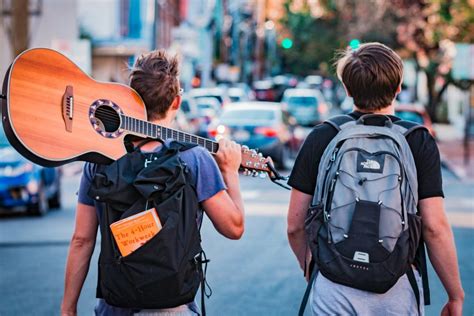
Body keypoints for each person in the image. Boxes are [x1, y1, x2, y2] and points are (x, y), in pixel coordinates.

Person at [60, 50, 245, 316]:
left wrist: (68, 309)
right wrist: (230, 172)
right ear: (177, 102)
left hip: (115, 305)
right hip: (172, 307)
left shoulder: (100, 158)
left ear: (130, 97)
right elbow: (234, 228)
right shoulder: (194, 159)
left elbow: (81, 240)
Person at [287, 42, 464, 315]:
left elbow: (295, 227)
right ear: (398, 88)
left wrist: (312, 268)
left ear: (347, 89)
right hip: (397, 286)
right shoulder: (417, 140)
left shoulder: (323, 136)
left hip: (335, 286)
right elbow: (434, 227)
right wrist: (455, 295)